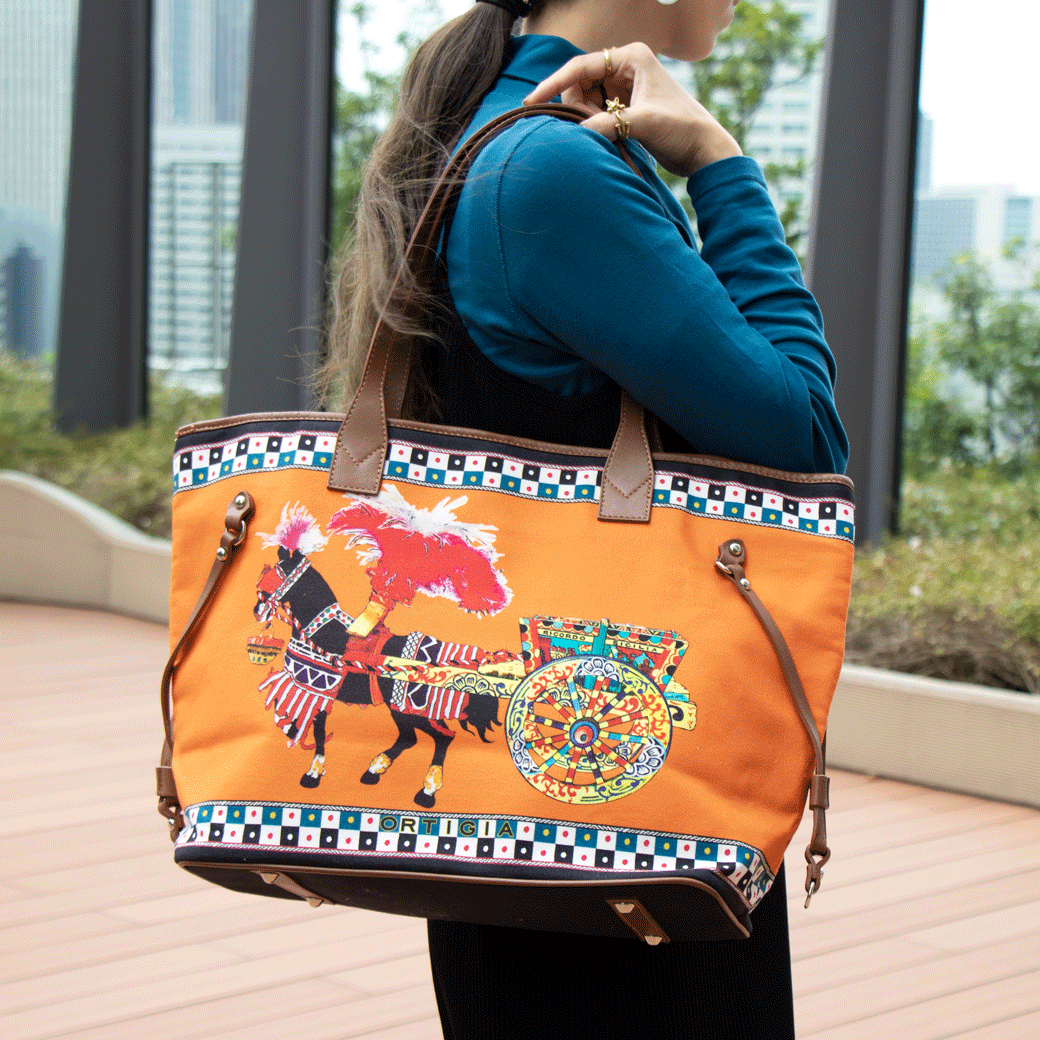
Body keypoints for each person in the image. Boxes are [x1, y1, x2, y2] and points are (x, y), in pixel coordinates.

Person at [328, 1, 849, 1036]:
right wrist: (718, 163)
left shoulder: (487, 121)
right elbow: (800, 441)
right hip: (617, 812)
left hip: (532, 802)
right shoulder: (552, 169)